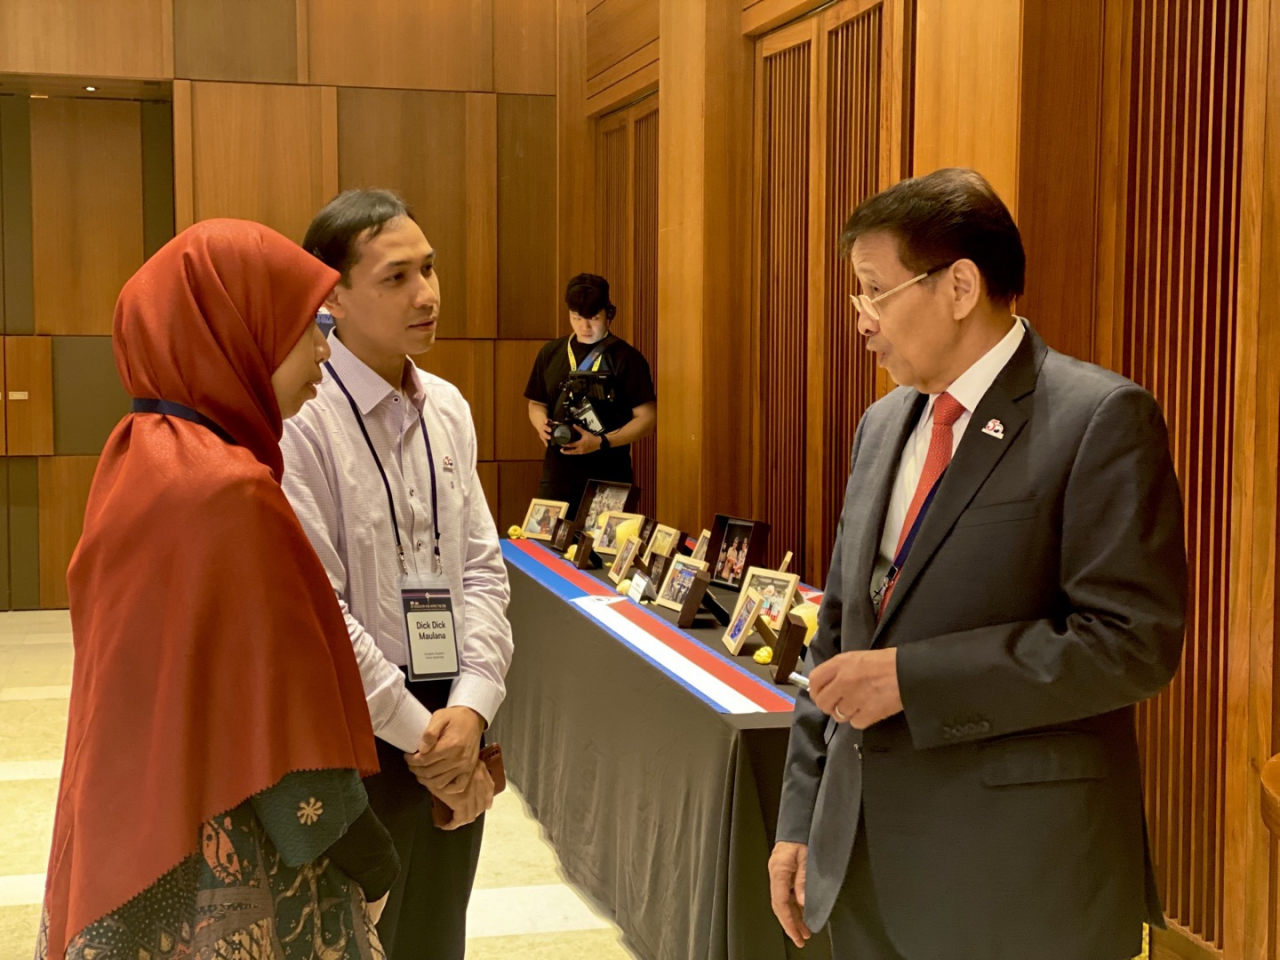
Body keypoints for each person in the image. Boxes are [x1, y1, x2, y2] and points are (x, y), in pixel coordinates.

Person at [768, 168, 1187, 960]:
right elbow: (838, 635)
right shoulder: (882, 423)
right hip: (860, 866)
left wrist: (912, 679)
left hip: (1018, 881)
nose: (860, 320)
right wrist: (801, 819)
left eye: (873, 291)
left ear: (960, 284)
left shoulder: (1098, 418)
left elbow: (1131, 645)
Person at [36, 220, 399, 960]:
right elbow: (279, 717)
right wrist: (371, 858)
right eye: (311, 327)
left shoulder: (137, 456)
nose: (326, 354)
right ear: (240, 331)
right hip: (220, 852)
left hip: (126, 830)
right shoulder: (228, 492)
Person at [282, 189, 514, 960]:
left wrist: (473, 709)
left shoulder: (447, 405)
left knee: (438, 937)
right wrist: (425, 742)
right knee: (358, 939)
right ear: (332, 296)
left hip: (456, 718)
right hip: (361, 734)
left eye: (430, 269)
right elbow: (318, 611)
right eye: (397, 277)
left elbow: (482, 567)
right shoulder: (300, 418)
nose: (428, 294)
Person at [525, 274, 657, 517]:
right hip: (557, 476)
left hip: (608, 475)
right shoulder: (551, 352)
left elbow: (647, 419)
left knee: (602, 553)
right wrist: (540, 423)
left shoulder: (628, 359)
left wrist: (601, 441)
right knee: (545, 549)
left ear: (609, 313)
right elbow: (536, 403)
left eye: (593, 319)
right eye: (576, 318)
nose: (584, 327)